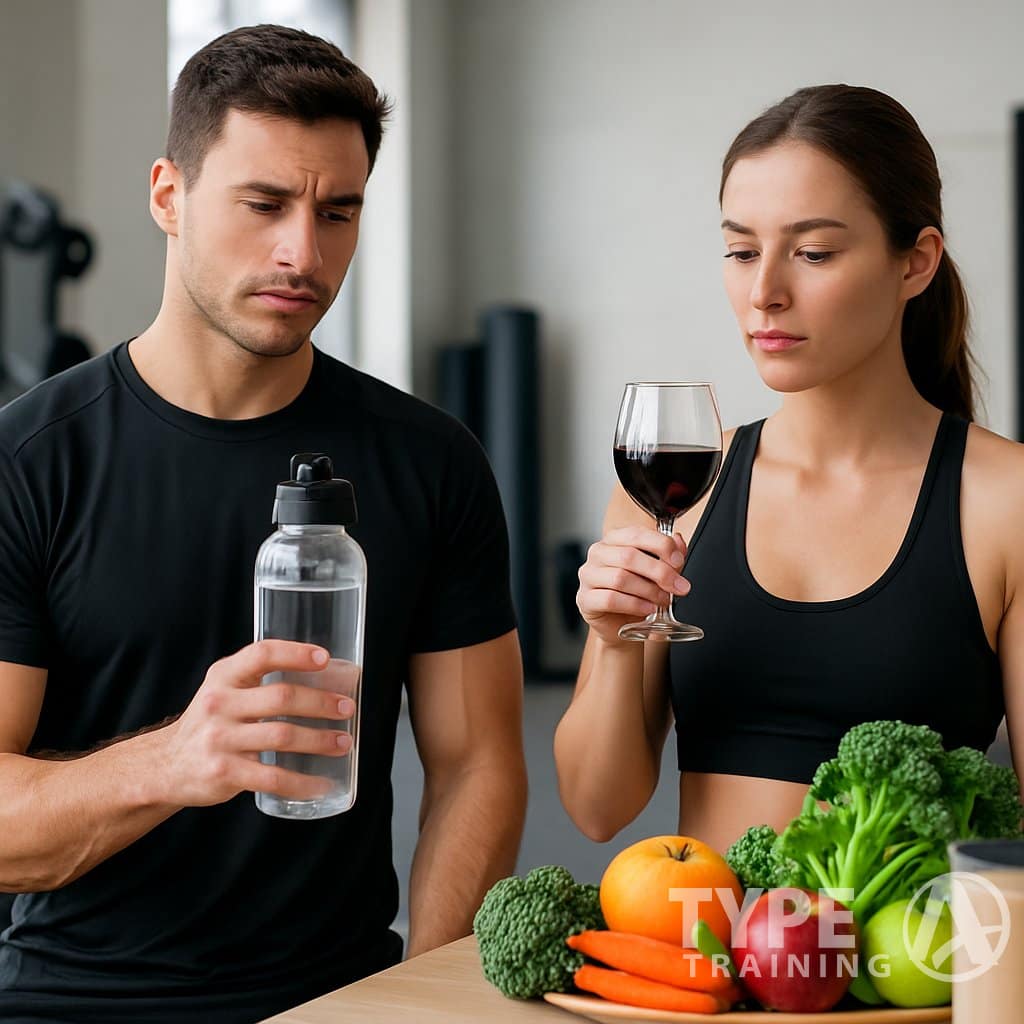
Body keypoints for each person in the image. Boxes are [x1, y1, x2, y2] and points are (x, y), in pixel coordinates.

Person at [0, 24, 527, 1024]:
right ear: (169, 195)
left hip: (339, 994)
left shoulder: (429, 461)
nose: (303, 251)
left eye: (338, 212)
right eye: (265, 204)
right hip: (75, 1003)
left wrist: (423, 993)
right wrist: (178, 757)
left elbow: (477, 762)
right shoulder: (28, 463)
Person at [556, 84, 1023, 855]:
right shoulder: (676, 499)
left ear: (916, 262)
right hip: (703, 965)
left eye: (813, 253)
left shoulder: (1002, 501)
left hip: (911, 970)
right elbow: (597, 808)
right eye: (742, 251)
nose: (764, 293)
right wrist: (612, 642)